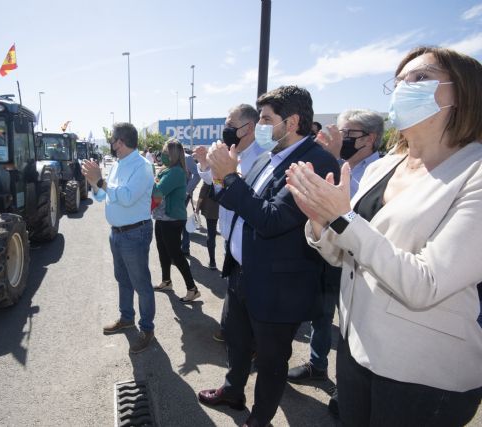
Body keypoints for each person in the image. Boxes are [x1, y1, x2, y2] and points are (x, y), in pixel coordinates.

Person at [286, 46, 482, 426]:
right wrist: (319, 223)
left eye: (420, 78)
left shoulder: (474, 172)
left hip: (423, 372)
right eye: (398, 82)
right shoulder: (385, 166)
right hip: (357, 350)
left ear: (465, 92)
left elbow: (426, 282)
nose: (403, 88)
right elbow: (347, 254)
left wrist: (341, 219)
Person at [197, 86, 340, 426]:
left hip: (278, 287)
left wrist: (231, 177)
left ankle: (259, 419)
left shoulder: (315, 162)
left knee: (272, 361)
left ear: (291, 122)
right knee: (236, 341)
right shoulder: (265, 155)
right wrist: (219, 174)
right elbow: (236, 199)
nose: (260, 125)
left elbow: (272, 220)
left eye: (265, 119)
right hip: (242, 274)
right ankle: (233, 391)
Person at [287, 109, 384, 417]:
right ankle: (318, 365)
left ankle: (351, 388)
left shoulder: (380, 170)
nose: (338, 138)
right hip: (333, 256)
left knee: (352, 327)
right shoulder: (345, 166)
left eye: (346, 133)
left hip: (367, 265)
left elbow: (352, 213)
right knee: (323, 315)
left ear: (368, 139)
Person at [81, 122, 156, 354]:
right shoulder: (118, 164)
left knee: (141, 283)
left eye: (113, 141)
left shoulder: (142, 167)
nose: (111, 145)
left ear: (120, 142)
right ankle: (126, 318)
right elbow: (103, 195)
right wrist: (95, 184)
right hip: (118, 233)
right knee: (123, 279)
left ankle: (147, 328)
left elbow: (126, 197)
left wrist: (100, 181)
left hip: (135, 233)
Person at [193, 104, 264, 342]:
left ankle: (250, 341)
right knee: (234, 289)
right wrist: (205, 163)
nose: (226, 130)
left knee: (250, 295)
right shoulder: (232, 151)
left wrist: (231, 176)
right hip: (230, 235)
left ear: (249, 127)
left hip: (248, 237)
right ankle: (231, 330)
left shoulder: (261, 157)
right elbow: (215, 183)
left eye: (231, 126)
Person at [151, 139, 200, 302]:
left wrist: (151, 180)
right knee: (163, 251)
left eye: (165, 152)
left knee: (176, 255)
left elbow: (158, 191)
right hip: (162, 217)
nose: (162, 155)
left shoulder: (176, 172)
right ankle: (166, 281)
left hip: (172, 219)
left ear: (173, 154)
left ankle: (192, 289)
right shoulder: (167, 170)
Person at [180, 147, 201, 255]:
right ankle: (181, 245)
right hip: (174, 196)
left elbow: (197, 175)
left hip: (183, 196)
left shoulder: (187, 158)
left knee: (181, 220)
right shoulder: (172, 158)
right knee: (178, 220)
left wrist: (187, 191)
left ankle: (185, 246)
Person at [195, 181, 219, 270]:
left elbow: (202, 194)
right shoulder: (228, 172)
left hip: (211, 209)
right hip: (225, 208)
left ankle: (212, 261)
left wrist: (197, 208)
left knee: (211, 234)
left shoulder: (209, 176)